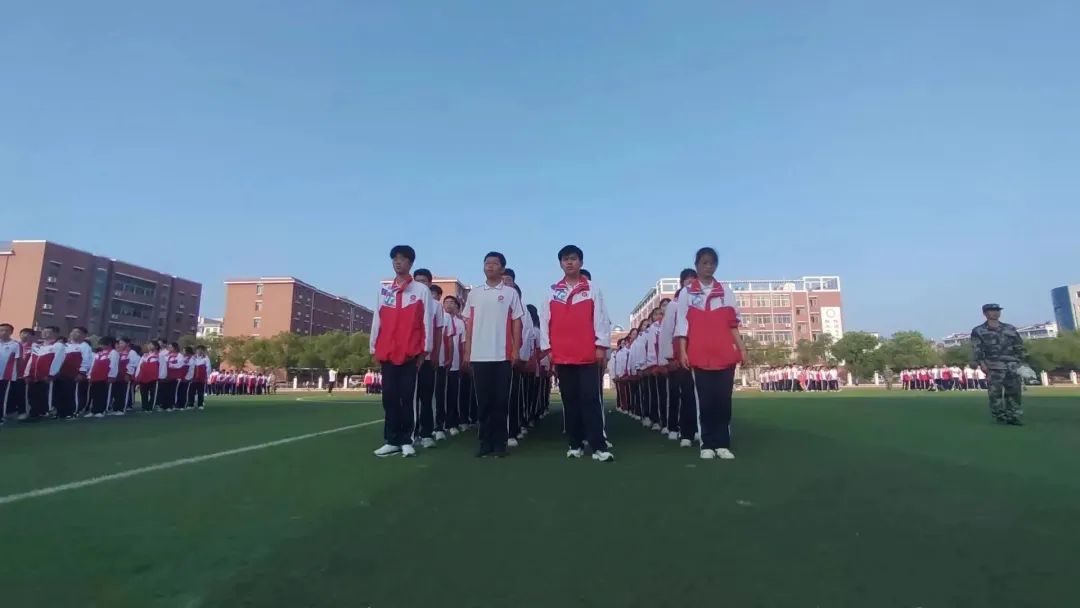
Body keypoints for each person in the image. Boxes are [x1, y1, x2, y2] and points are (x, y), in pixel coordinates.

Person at [538, 244, 614, 462]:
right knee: (569, 400)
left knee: (590, 399)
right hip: (562, 354)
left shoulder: (592, 289)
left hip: (587, 354)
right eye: (565, 259)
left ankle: (598, 445)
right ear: (560, 264)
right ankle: (575, 443)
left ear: (581, 262)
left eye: (573, 258)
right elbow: (545, 322)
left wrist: (600, 347)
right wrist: (548, 349)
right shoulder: (552, 291)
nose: (569, 262)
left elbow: (601, 319)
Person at [675, 247, 748, 460]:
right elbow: (682, 325)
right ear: (697, 265)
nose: (708, 267)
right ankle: (707, 444)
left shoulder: (726, 292)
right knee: (705, 402)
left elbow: (733, 324)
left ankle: (722, 444)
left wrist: (742, 349)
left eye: (712, 263)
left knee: (723, 401)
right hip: (699, 354)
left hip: (725, 354)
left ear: (716, 266)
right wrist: (683, 351)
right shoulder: (687, 293)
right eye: (704, 263)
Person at [370, 245, 434, 458]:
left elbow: (426, 322)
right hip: (387, 351)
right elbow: (377, 320)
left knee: (407, 397)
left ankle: (407, 440)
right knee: (389, 397)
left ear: (410, 263)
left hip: (410, 352)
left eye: (402, 258)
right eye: (395, 258)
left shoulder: (421, 290)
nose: (398, 262)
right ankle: (392, 440)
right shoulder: (384, 290)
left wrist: (425, 350)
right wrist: (373, 346)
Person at [463, 251, 524, 458]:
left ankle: (500, 443)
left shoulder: (510, 293)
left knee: (500, 402)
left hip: (502, 355)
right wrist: (467, 351)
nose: (490, 266)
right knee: (483, 402)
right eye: (487, 263)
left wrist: (515, 349)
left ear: (502, 268)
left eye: (495, 263)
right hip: (479, 356)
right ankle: (484, 442)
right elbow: (469, 325)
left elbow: (516, 322)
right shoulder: (474, 294)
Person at [970, 303, 1027, 425]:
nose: (996, 312)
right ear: (985, 313)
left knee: (1014, 392)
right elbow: (977, 349)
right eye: (992, 310)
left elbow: (1019, 346)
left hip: (1012, 365)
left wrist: (1022, 363)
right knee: (995, 393)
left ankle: (1013, 415)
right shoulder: (978, 331)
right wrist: (982, 363)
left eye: (997, 310)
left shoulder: (1010, 328)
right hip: (993, 366)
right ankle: (1000, 415)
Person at [441, 295, 466, 436]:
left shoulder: (460, 323)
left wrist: (463, 361)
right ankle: (439, 424)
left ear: (457, 306)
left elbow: (463, 344)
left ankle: (452, 423)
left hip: (455, 364)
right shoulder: (440, 318)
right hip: (441, 362)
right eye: (446, 302)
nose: (449, 305)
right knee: (440, 395)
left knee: (453, 394)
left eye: (452, 302)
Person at [86, 336, 120, 418]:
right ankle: (93, 410)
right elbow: (93, 365)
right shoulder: (98, 353)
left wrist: (112, 376)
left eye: (102, 344)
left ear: (109, 344)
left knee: (102, 394)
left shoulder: (113, 353)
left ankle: (101, 410)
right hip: (95, 376)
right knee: (94, 394)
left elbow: (114, 365)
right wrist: (90, 375)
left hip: (105, 377)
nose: (101, 346)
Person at [0, 323, 19, 424]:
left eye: (6, 330)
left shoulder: (15, 345)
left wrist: (18, 373)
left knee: (2, 397)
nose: (3, 332)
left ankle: (1, 417)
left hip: (5, 376)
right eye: (1, 330)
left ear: (11, 332)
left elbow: (19, 360)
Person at [117, 338, 140, 413]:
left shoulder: (132, 352)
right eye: (119, 343)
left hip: (127, 376)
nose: (120, 345)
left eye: (122, 343)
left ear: (127, 344)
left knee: (126, 391)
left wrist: (128, 374)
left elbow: (133, 364)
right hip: (119, 376)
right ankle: (118, 407)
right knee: (119, 392)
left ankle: (127, 406)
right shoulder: (119, 352)